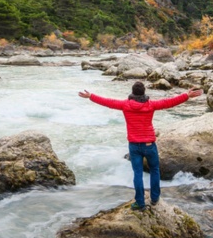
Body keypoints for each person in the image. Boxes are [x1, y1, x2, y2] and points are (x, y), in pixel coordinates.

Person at [78, 81, 202, 211]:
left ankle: (140, 202)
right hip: (149, 144)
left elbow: (108, 102)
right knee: (154, 171)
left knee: (137, 174)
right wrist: (187, 95)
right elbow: (169, 102)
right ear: (144, 92)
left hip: (134, 146)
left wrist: (90, 96)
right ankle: (154, 198)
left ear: (132, 93)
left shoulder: (125, 105)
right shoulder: (151, 105)